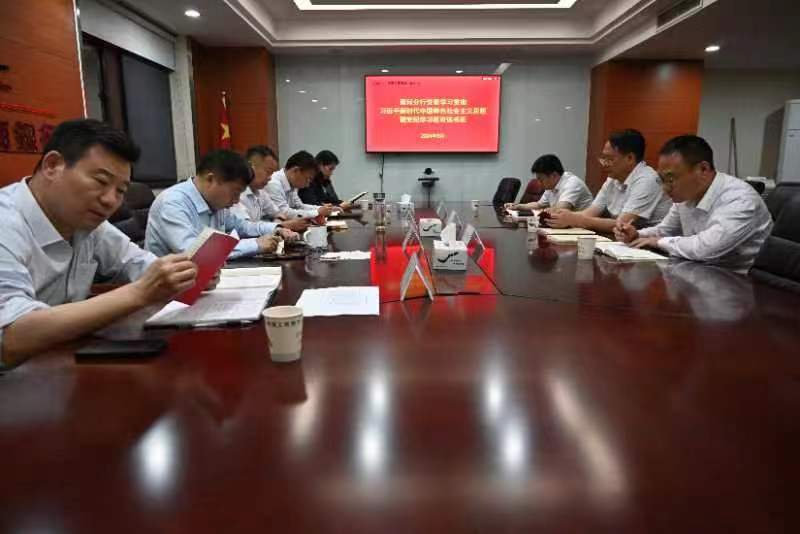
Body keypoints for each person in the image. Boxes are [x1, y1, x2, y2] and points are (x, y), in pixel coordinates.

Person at [0, 119, 198, 368]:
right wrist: (138, 292)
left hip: (61, 363)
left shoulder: (87, 222)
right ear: (52, 166)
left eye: (120, 191)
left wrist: (184, 274)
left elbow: (137, 263)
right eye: (101, 182)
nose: (110, 200)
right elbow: (10, 338)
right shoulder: (6, 222)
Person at [614, 135, 772, 273]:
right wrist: (637, 234)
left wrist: (658, 242)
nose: (665, 188)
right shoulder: (686, 195)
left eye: (671, 179)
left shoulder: (739, 198)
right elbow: (665, 230)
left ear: (703, 169)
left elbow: (708, 248)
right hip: (701, 272)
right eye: (662, 180)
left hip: (740, 283)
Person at [146, 149, 299, 260]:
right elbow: (193, 252)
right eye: (235, 192)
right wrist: (255, 244)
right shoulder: (173, 203)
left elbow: (242, 226)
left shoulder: (215, 202)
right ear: (211, 179)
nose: (237, 200)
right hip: (169, 290)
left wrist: (276, 229)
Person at [547, 129, 672, 232]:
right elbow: (590, 213)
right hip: (627, 241)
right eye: (603, 158)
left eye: (609, 159)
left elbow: (622, 224)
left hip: (654, 246)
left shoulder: (647, 180)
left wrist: (575, 219)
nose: (604, 164)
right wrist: (562, 215)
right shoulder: (613, 178)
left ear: (630, 158)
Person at [232, 145, 308, 232]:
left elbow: (279, 213)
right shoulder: (237, 194)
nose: (270, 178)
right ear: (250, 167)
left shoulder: (261, 192)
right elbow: (245, 228)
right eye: (268, 172)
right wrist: (280, 226)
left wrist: (278, 226)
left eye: (271, 173)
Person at [505, 154, 593, 212]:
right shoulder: (551, 186)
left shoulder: (572, 183)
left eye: (541, 180)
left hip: (586, 230)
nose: (539, 183)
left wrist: (543, 211)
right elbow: (538, 205)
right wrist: (518, 206)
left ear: (554, 175)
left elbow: (560, 210)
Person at [266, 150, 336, 219]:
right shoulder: (273, 184)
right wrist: (317, 212)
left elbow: (300, 206)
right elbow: (284, 213)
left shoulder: (292, 184)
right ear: (296, 171)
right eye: (307, 179)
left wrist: (325, 209)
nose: (307, 185)